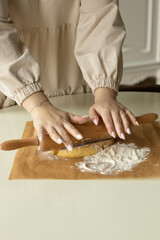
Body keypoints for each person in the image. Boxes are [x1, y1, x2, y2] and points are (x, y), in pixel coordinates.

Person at [0, 0, 138, 151]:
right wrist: (37, 104)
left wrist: (104, 93)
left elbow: (100, 20)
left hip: (76, 84)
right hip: (12, 92)